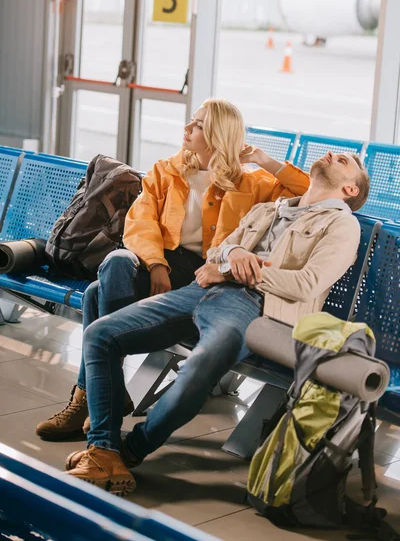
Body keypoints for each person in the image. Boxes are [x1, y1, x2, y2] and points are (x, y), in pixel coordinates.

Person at [62, 150, 370, 495]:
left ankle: (131, 450)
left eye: (345, 161)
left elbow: (306, 284)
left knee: (201, 366)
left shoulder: (342, 225)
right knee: (100, 334)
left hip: (256, 308)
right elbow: (218, 251)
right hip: (199, 291)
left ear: (351, 190)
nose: (332, 156)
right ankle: (103, 450)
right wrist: (231, 257)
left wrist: (237, 268)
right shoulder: (268, 209)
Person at [36, 98, 309, 441]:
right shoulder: (166, 170)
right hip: (162, 264)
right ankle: (109, 391)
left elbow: (313, 192)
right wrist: (155, 264)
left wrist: (264, 160)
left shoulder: (251, 184)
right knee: (116, 262)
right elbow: (140, 222)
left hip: (206, 275)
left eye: (196, 126)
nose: (186, 130)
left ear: (216, 135)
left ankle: (93, 395)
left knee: (95, 294)